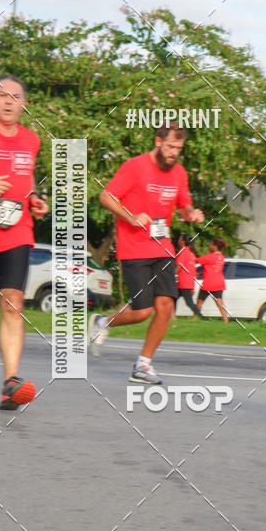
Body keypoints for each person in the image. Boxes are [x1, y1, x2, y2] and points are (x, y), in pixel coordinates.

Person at [88, 124, 204, 383]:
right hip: (134, 248)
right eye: (170, 146)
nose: (174, 153)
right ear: (158, 141)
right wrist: (130, 217)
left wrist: (192, 215)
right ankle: (103, 322)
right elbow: (106, 196)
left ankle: (143, 365)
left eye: (179, 149)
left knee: (165, 307)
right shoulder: (135, 167)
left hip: (163, 247)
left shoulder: (179, 173)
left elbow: (184, 207)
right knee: (142, 311)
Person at [0, 75, 49, 410]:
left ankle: (10, 383)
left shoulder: (31, 140)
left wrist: (35, 196)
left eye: (16, 96)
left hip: (17, 229)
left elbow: (27, 175)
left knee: (13, 303)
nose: (9, 101)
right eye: (3, 95)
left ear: (24, 104)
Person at [196, 238, 229, 322]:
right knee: (220, 303)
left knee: (199, 303)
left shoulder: (209, 257)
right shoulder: (221, 257)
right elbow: (212, 269)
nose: (209, 246)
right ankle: (226, 320)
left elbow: (196, 260)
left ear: (215, 246)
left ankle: (194, 319)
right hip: (219, 283)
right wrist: (199, 274)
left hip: (209, 283)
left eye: (211, 244)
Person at [175, 234, 203, 318]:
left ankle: (202, 317)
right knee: (173, 298)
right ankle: (172, 317)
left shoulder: (182, 252)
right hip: (188, 282)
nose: (178, 240)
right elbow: (193, 270)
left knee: (189, 302)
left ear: (182, 242)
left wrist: (170, 275)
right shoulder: (191, 253)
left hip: (184, 282)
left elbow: (178, 268)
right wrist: (192, 286)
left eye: (179, 238)